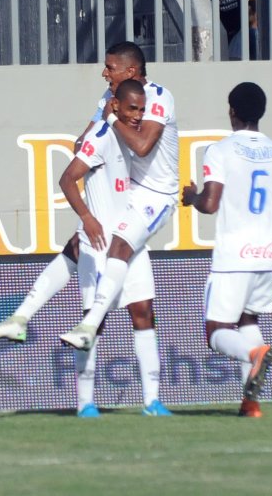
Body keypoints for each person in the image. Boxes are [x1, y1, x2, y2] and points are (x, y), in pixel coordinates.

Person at [181, 82, 272, 418]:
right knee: (247, 320)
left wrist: (192, 198)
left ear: (231, 111)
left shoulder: (221, 151)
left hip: (233, 256)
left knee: (216, 333)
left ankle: (255, 353)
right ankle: (251, 404)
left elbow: (211, 204)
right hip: (266, 257)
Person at [58, 79, 171, 418]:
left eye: (142, 109)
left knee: (143, 312)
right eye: (132, 109)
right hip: (99, 242)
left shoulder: (136, 138)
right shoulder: (104, 135)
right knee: (95, 320)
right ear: (116, 106)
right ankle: (85, 403)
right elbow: (68, 177)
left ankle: (152, 401)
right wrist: (87, 218)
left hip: (130, 237)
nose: (138, 115)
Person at [60, 43, 179, 351]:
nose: (104, 72)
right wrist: (104, 119)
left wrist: (111, 120)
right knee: (77, 245)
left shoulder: (159, 98)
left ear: (131, 71)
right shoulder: (110, 98)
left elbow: (142, 147)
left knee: (119, 244)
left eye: (110, 67)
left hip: (156, 194)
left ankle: (90, 323)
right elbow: (82, 144)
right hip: (125, 192)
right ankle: (24, 314)